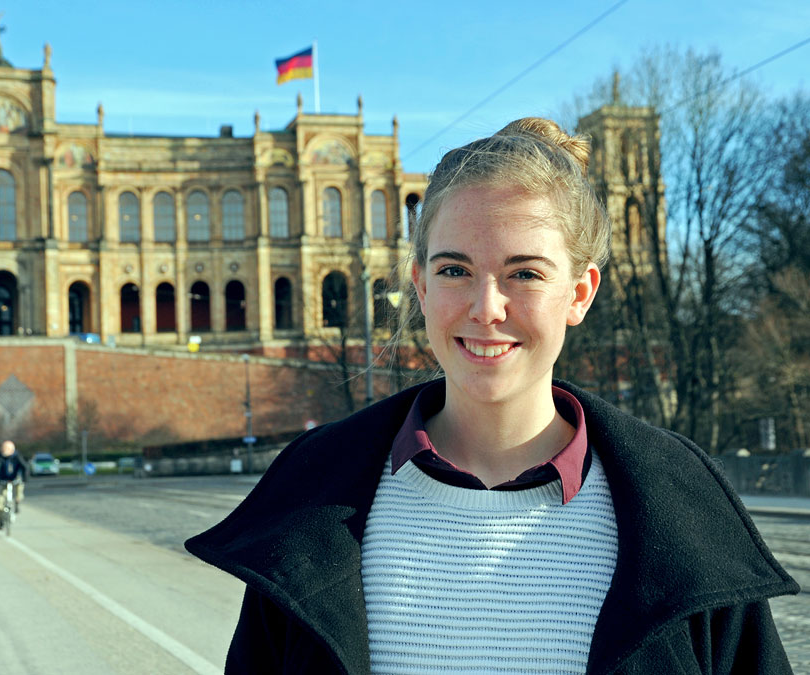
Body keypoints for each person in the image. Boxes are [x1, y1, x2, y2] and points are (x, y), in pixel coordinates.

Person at [185, 118, 799, 674]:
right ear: (420, 286)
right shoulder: (309, 498)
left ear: (580, 294)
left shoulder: (685, 506)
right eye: (454, 270)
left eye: (524, 273)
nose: (486, 309)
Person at [0, 440, 25, 526]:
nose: (4, 451)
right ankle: (0, 519)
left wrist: (24, 478)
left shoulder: (17, 456)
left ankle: (17, 502)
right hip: (2, 479)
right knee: (0, 500)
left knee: (20, 487)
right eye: (3, 449)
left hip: (15, 478)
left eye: (6, 449)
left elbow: (25, 466)